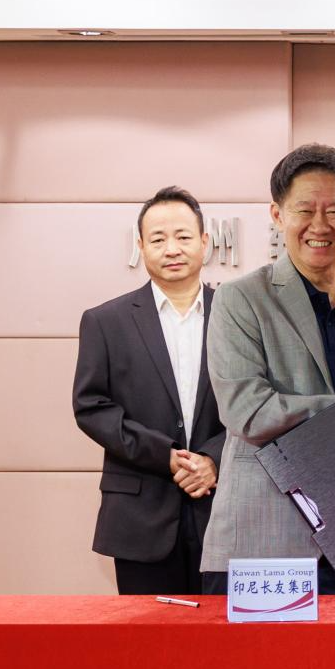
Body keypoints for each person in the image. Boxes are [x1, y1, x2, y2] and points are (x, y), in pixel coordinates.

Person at [199, 143, 335, 595]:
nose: (320, 225)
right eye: (304, 210)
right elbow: (247, 412)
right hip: (263, 541)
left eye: (334, 210)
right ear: (277, 215)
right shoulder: (240, 299)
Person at [73, 186, 225, 595]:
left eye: (183, 236)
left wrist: (213, 458)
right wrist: (165, 456)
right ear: (140, 246)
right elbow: (91, 407)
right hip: (140, 515)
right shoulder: (106, 321)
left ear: (204, 242)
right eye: (158, 239)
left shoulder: (238, 315)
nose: (171, 248)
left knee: (225, 634)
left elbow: (260, 404)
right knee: (149, 633)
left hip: (225, 508)